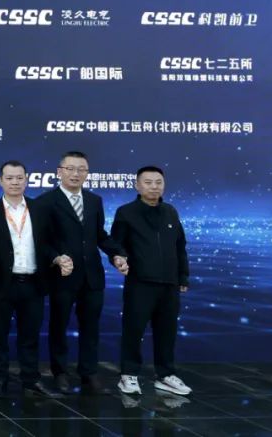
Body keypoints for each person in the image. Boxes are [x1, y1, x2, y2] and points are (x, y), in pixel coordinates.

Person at [37, 151, 128, 394]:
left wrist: (117, 254)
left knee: (91, 327)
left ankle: (89, 373)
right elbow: (41, 242)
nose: (75, 174)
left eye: (81, 169)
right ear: (59, 172)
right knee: (59, 326)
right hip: (62, 276)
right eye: (70, 169)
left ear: (87, 173)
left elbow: (99, 236)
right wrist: (56, 258)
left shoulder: (94, 200)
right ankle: (60, 372)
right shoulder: (45, 202)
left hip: (92, 276)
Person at [0, 161, 62, 398]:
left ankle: (30, 380)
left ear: (26, 180)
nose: (15, 182)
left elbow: (48, 244)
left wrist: (57, 257)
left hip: (34, 283)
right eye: (9, 178)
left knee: (30, 336)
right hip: (2, 283)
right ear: (0, 181)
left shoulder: (41, 209)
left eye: (19, 178)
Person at [113, 166, 192, 397]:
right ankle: (128, 374)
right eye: (148, 182)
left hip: (169, 284)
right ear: (137, 186)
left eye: (158, 182)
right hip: (140, 282)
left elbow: (180, 247)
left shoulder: (170, 212)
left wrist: (183, 276)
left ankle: (165, 375)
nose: (154, 187)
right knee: (133, 329)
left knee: (167, 331)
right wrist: (119, 259)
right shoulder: (126, 212)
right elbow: (116, 245)